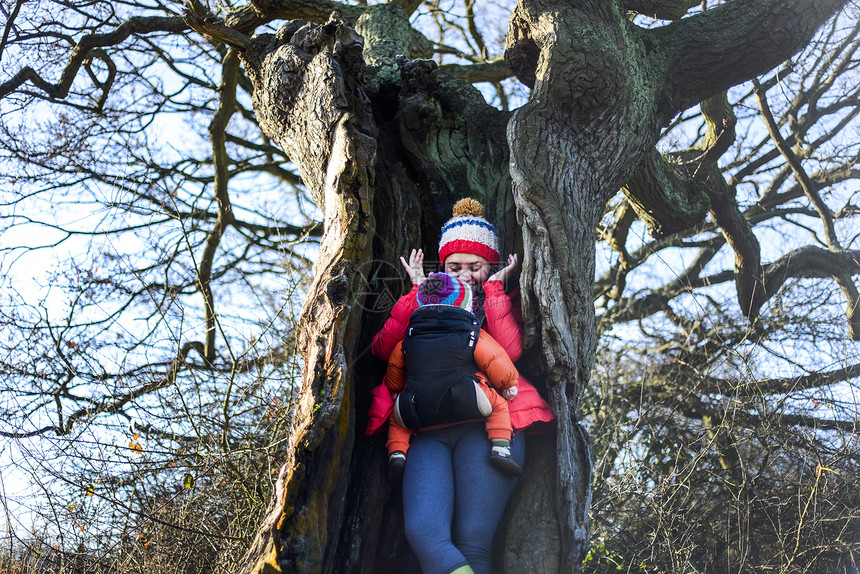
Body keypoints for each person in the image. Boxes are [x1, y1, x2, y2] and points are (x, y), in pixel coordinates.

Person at [366, 198, 554, 574]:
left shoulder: (500, 300)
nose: (465, 274)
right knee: (424, 533)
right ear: (442, 267)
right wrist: (417, 295)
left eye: (476, 267)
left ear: (491, 267)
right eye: (455, 266)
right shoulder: (421, 303)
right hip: (427, 430)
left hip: (490, 425)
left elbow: (510, 350)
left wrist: (497, 293)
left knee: (473, 540)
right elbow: (384, 350)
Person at [384, 272, 523, 482]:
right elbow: (495, 359)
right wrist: (508, 383)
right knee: (499, 405)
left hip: (416, 406)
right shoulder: (472, 334)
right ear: (465, 306)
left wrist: (395, 391)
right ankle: (501, 447)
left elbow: (395, 367)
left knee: (397, 421)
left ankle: (397, 454)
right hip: (466, 398)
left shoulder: (407, 341)